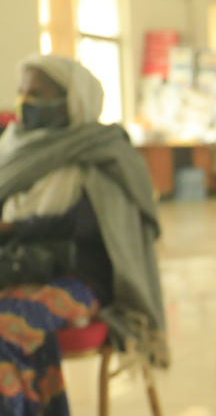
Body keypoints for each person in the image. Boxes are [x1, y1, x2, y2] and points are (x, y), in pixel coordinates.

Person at [0, 54, 167, 415]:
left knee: (5, 329)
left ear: (72, 100)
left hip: (81, 277)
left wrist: (15, 227)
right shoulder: (14, 146)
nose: (25, 102)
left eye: (38, 94)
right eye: (22, 92)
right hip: (19, 268)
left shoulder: (103, 152)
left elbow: (87, 225)